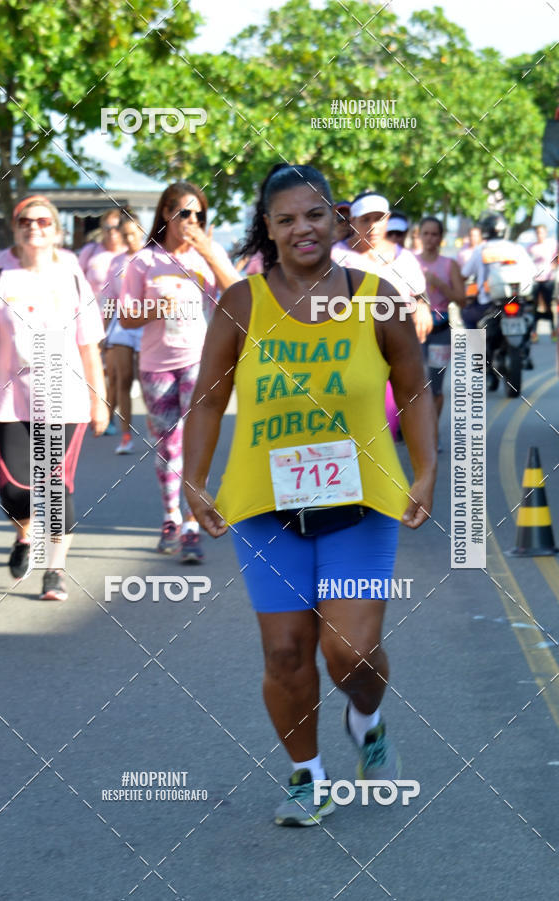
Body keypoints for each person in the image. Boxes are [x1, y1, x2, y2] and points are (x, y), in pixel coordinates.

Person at [183, 164, 437, 827]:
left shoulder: (377, 297)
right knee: (286, 652)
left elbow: (413, 386)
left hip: (361, 502)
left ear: (336, 219)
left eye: (316, 214)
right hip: (266, 506)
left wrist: (426, 468)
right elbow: (207, 399)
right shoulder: (242, 303)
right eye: (287, 218)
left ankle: (367, 717)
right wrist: (194, 478)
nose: (303, 228)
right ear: (268, 228)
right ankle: (309, 775)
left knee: (348, 653)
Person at [0, 195, 108, 601]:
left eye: (44, 221)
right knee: (15, 491)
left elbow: (88, 344)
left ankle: (54, 570)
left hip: (65, 398)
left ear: (56, 230)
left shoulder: (72, 275)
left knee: (54, 487)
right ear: (15, 228)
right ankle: (24, 536)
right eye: (26, 221)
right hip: (11, 398)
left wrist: (99, 397)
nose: (35, 227)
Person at [119, 180, 241, 562]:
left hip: (199, 361)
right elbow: (126, 316)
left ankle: (191, 523)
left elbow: (240, 295)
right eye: (183, 213)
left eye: (198, 215)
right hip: (156, 365)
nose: (191, 221)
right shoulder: (144, 261)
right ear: (166, 214)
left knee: (194, 443)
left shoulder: (208, 254)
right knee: (168, 445)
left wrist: (208, 253)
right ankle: (171, 515)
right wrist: (156, 308)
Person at [332, 191, 432, 440]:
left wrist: (422, 306)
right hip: (347, 356)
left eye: (378, 219)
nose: (372, 226)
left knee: (384, 428)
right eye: (365, 220)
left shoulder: (404, 258)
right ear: (353, 222)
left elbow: (419, 294)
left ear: (387, 219)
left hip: (392, 355)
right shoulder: (336, 257)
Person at [416, 217, 465, 430]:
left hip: (440, 331)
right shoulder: (410, 262)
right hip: (415, 332)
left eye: (434, 234)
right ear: (419, 235)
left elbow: (462, 300)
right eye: (426, 233)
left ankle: (432, 433)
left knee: (435, 387)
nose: (430, 238)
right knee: (416, 384)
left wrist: (440, 285)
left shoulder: (449, 265)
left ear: (441, 238)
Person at [102, 212, 146, 454]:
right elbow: (110, 299)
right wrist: (103, 332)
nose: (129, 239)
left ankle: (160, 428)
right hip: (122, 324)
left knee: (148, 379)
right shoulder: (116, 262)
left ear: (142, 231)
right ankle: (126, 436)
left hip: (149, 323)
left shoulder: (154, 257)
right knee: (123, 378)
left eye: (133, 234)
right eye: (125, 235)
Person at [460, 213, 535, 329]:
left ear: (485, 231)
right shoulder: (516, 248)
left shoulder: (480, 250)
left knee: (466, 314)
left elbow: (464, 274)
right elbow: (533, 271)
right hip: (517, 299)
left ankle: (474, 342)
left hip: (488, 303)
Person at [527, 224, 557, 341]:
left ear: (545, 233)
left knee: (548, 305)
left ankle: (553, 331)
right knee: (534, 306)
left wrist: (554, 266)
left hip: (548, 279)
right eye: (538, 232)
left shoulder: (552, 244)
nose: (540, 235)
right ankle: (534, 333)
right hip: (535, 280)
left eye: (542, 232)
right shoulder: (531, 248)